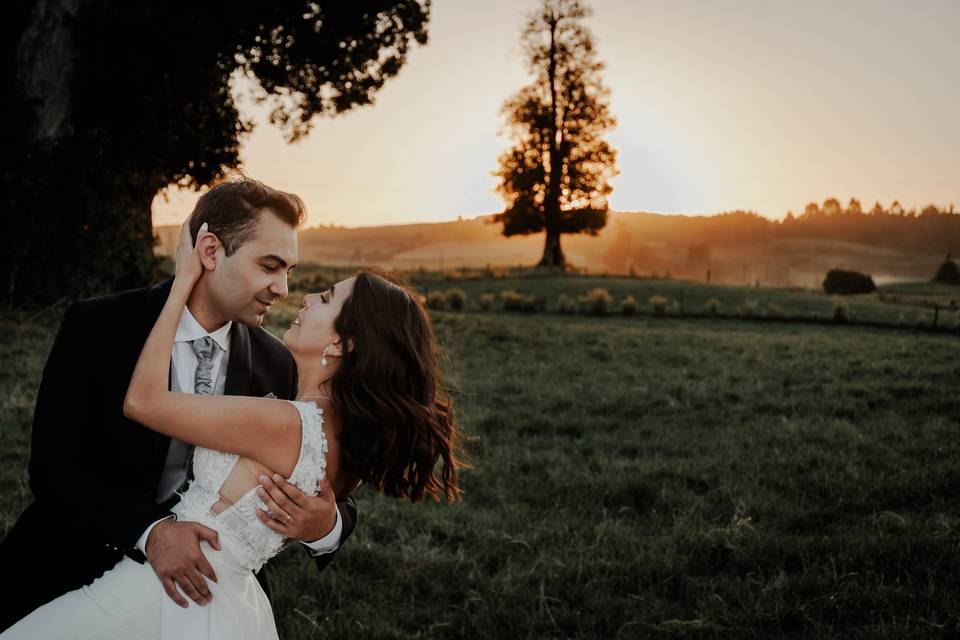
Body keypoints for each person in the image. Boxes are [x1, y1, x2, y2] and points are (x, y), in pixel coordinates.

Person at [3, 214, 464, 638]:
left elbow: (146, 403)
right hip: (80, 560)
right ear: (210, 251)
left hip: (191, 595)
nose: (288, 290)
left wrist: (328, 525)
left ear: (342, 343)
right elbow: (51, 468)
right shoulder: (99, 324)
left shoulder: (276, 368)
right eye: (271, 265)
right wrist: (152, 531)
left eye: (316, 292)